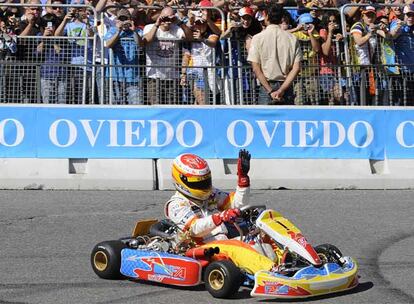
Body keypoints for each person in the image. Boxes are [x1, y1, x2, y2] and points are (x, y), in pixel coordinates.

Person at [165, 149, 251, 243]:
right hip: (199, 251)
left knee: (258, 242)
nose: (203, 186)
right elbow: (194, 229)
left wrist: (243, 180)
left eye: (205, 182)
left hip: (224, 243)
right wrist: (220, 217)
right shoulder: (176, 205)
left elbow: (237, 205)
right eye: (197, 183)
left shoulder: (212, 194)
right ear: (181, 180)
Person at [247, 4, 302, 105]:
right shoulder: (292, 38)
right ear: (282, 18)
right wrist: (281, 90)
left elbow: (255, 68)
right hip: (286, 86)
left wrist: (270, 91)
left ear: (265, 15)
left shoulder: (257, 38)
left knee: (263, 120)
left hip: (267, 87)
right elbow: (296, 68)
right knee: (287, 119)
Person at [143, 6, 192, 104]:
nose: (167, 20)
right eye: (165, 17)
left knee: (172, 106)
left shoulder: (176, 28)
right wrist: (157, 24)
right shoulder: (149, 27)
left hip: (172, 76)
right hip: (154, 75)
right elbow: (146, 41)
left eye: (170, 17)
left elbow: (190, 37)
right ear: (160, 16)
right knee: (155, 106)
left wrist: (179, 22)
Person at [104, 9, 144, 105]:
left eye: (125, 19)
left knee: (136, 104)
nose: (123, 21)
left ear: (130, 19)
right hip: (115, 75)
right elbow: (108, 44)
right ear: (117, 20)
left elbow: (141, 44)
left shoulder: (137, 31)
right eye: (121, 19)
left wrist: (134, 31)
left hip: (132, 76)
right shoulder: (113, 30)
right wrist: (118, 31)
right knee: (115, 105)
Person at [389, 4, 414, 106]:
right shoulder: (397, 23)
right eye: (408, 15)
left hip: (412, 70)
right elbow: (392, 36)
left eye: (413, 15)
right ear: (404, 15)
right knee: (401, 102)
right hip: (401, 71)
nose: (411, 18)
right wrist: (400, 26)